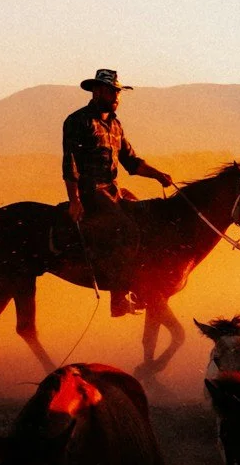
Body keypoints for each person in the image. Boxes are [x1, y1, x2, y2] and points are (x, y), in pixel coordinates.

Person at [62, 69, 176, 316]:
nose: (116, 96)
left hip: (113, 190)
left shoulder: (115, 125)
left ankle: (141, 285)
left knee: (145, 218)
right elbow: (69, 164)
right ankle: (118, 298)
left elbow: (131, 162)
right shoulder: (78, 121)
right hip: (91, 191)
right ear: (96, 91)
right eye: (111, 91)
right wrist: (74, 200)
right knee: (125, 228)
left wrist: (158, 175)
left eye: (118, 92)